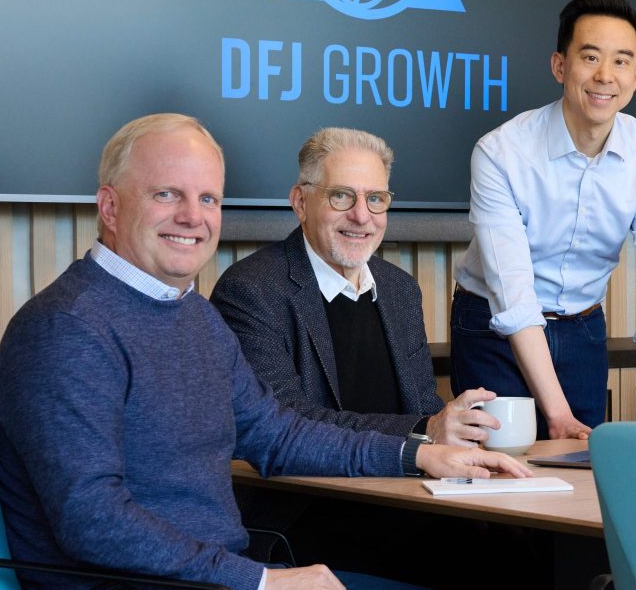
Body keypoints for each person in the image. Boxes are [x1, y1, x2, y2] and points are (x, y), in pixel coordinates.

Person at [0, 114, 530, 590]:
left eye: (208, 199)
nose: (193, 217)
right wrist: (262, 585)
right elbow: (92, 520)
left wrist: (414, 454)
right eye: (166, 194)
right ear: (109, 205)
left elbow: (277, 434)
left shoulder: (191, 314)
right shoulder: (66, 329)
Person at [451, 0, 636, 441]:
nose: (605, 76)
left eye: (621, 61)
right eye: (590, 57)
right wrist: (557, 413)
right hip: (493, 325)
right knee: (503, 462)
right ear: (560, 66)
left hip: (582, 327)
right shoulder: (501, 152)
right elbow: (513, 296)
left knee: (583, 468)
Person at [210, 126, 497, 449]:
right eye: (341, 196)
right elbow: (284, 423)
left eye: (375, 199)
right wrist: (426, 429)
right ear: (301, 202)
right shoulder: (250, 291)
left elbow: (424, 409)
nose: (361, 216)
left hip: (408, 479)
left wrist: (455, 435)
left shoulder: (400, 290)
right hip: (306, 482)